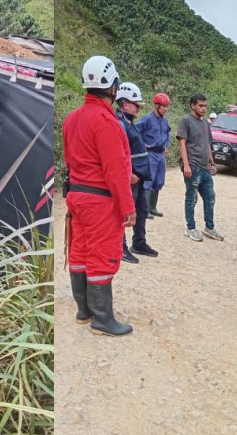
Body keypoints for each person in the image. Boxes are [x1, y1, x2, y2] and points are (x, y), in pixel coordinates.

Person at [62, 55, 135, 336]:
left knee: (79, 251)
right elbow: (116, 170)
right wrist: (128, 207)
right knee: (102, 254)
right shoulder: (106, 122)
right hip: (99, 200)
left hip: (77, 197)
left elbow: (69, 160)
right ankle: (102, 319)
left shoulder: (72, 118)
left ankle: (84, 310)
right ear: (113, 87)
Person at [115, 82, 158, 261]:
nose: (139, 107)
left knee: (141, 209)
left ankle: (139, 242)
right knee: (125, 212)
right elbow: (119, 154)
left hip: (139, 177)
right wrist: (128, 174)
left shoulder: (130, 122)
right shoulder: (120, 124)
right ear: (124, 103)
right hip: (130, 177)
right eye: (136, 104)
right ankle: (120, 247)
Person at [177, 92, 223, 242]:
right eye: (201, 106)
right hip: (193, 167)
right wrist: (186, 165)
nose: (204, 109)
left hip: (204, 169)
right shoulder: (186, 121)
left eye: (205, 106)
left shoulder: (205, 123)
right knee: (192, 198)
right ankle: (190, 228)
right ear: (193, 105)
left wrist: (212, 163)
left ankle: (209, 228)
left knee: (210, 198)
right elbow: (182, 143)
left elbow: (207, 144)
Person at [136, 92, 172, 218]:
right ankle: (144, 209)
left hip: (161, 154)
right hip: (150, 155)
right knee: (148, 181)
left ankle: (152, 207)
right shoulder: (146, 119)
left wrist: (167, 145)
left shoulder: (164, 121)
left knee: (159, 180)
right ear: (156, 105)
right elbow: (135, 131)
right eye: (164, 106)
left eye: (167, 106)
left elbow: (168, 133)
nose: (166, 109)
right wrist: (142, 145)